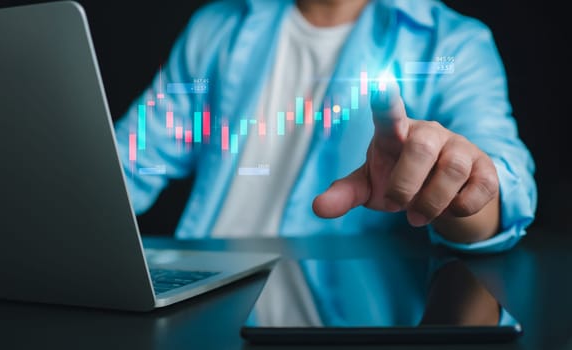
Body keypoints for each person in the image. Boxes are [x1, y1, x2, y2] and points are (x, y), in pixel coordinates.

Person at [114, 0, 536, 253]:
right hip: (202, 297)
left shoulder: (453, 42)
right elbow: (126, 163)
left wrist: (453, 178)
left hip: (340, 319)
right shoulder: (216, 27)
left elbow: (498, 194)